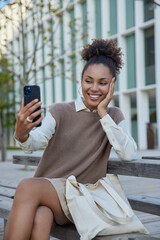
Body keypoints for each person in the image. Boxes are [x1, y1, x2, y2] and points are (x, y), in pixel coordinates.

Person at [4, 39, 137, 240]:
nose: (93, 88)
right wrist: (22, 133)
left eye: (102, 83)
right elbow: (35, 142)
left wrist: (102, 113)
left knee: (26, 186)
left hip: (82, 198)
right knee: (41, 217)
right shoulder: (60, 111)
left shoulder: (113, 116)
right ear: (81, 80)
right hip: (51, 197)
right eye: (88, 80)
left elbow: (128, 154)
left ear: (112, 84)